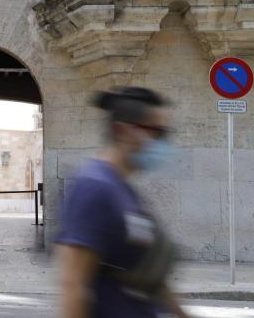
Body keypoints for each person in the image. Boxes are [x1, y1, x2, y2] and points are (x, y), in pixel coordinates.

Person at [55, 87, 187, 318]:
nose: (163, 143)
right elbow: (73, 284)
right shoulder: (94, 187)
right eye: (157, 132)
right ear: (123, 130)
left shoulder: (123, 189)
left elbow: (147, 275)